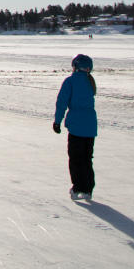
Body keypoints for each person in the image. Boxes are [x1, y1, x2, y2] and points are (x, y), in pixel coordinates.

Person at [53, 53, 97, 200]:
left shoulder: (70, 81)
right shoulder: (90, 82)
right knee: (86, 158)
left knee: (76, 158)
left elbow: (62, 102)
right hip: (90, 127)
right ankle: (88, 188)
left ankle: (78, 187)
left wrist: (57, 121)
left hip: (77, 127)